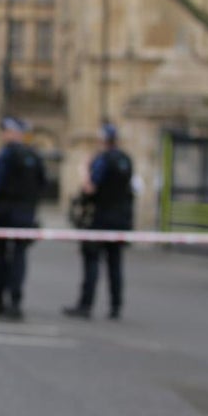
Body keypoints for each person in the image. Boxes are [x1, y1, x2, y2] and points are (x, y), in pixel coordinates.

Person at [64, 122, 134, 320]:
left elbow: (90, 188)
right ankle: (116, 306)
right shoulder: (126, 160)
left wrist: (85, 170)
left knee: (92, 262)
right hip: (120, 218)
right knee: (115, 264)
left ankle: (86, 305)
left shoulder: (102, 160)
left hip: (100, 217)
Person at [0, 115, 46, 319]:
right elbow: (42, 183)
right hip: (25, 213)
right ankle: (15, 301)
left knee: (1, 256)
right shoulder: (34, 155)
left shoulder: (7, 154)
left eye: (7, 131)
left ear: (15, 133)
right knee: (19, 257)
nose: (4, 135)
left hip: (5, 211)